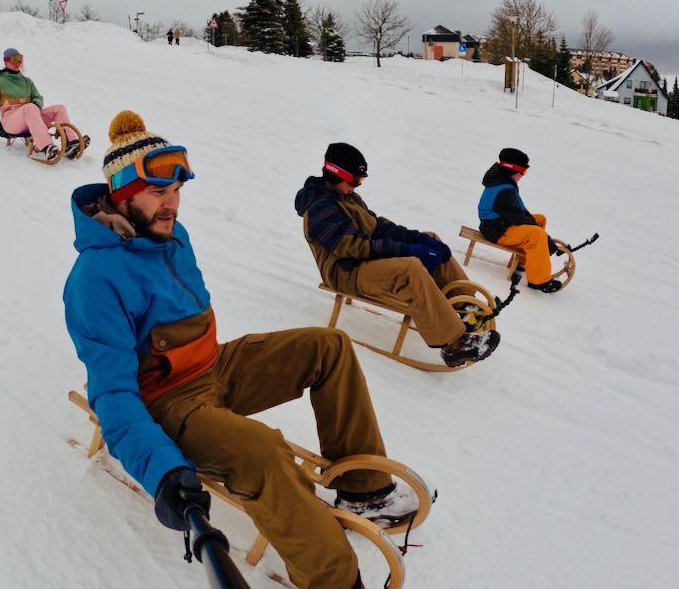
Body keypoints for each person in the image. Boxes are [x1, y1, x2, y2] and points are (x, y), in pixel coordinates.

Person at [65, 112, 416, 589]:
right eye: (158, 191)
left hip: (215, 366)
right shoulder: (94, 280)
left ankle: (364, 492)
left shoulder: (171, 236)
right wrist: (164, 472)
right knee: (264, 451)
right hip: (169, 402)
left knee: (328, 346)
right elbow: (113, 397)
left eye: (177, 190)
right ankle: (335, 581)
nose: (172, 205)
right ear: (121, 193)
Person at [295, 143, 500, 367]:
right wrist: (405, 250)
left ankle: (467, 307)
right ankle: (454, 344)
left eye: (360, 181)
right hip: (345, 272)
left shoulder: (349, 198)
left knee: (431, 240)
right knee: (410, 269)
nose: (357, 186)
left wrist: (417, 239)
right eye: (354, 180)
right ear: (336, 174)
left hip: (363, 263)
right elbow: (354, 247)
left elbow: (378, 227)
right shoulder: (320, 209)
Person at [478, 148, 562, 293]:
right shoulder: (503, 189)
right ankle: (539, 281)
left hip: (501, 223)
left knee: (539, 220)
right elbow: (519, 216)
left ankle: (523, 262)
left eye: (525, 171)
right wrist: (547, 240)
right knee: (537, 234)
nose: (523, 175)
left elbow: (519, 211)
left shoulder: (502, 180)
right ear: (510, 169)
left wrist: (542, 234)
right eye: (522, 171)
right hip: (497, 230)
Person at [0, 47, 88, 161]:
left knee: (59, 109)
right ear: (6, 62)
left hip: (31, 117)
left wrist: (36, 104)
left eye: (20, 58)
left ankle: (71, 143)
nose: (17, 62)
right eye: (14, 59)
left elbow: (38, 97)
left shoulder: (27, 81)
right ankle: (46, 146)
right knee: (30, 107)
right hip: (11, 122)